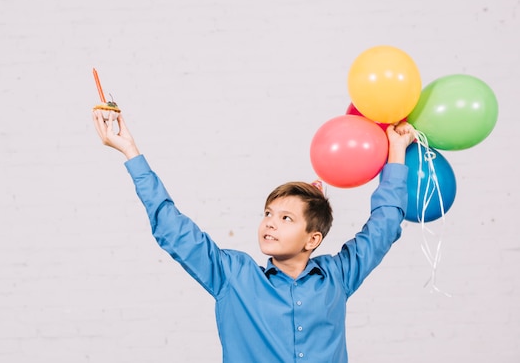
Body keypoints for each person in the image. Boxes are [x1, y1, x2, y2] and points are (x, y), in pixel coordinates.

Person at [92, 108, 417, 363]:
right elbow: (171, 227)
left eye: (286, 218)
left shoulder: (338, 277)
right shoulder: (234, 276)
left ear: (312, 239)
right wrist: (130, 152)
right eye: (267, 214)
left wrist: (396, 151)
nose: (270, 224)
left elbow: (385, 225)